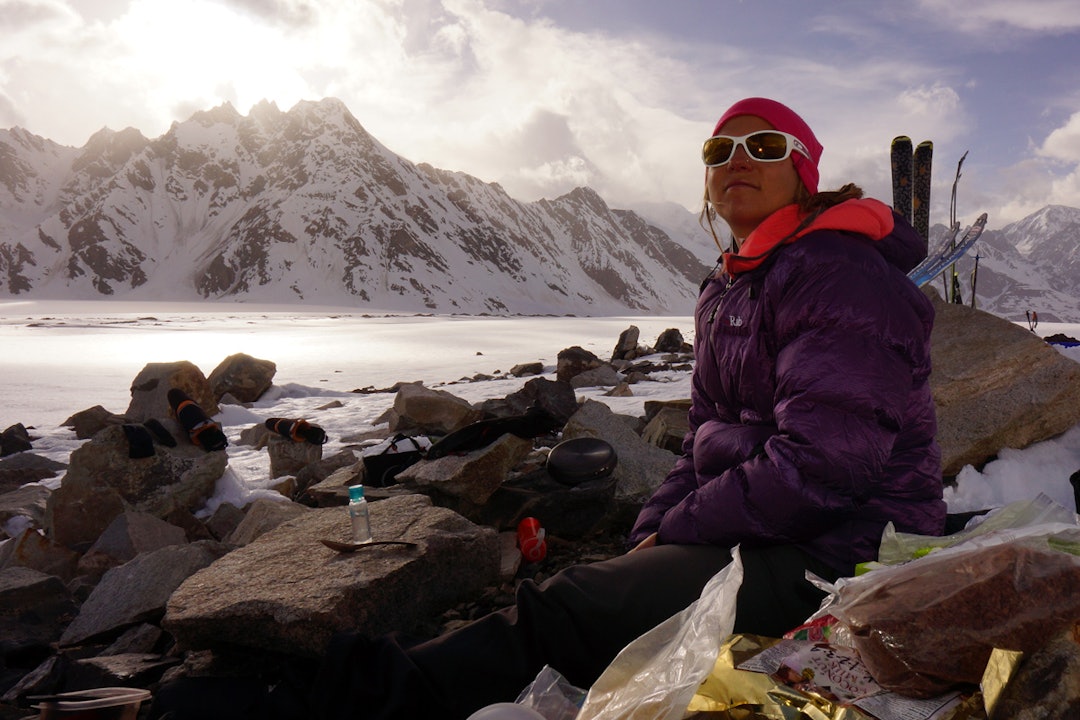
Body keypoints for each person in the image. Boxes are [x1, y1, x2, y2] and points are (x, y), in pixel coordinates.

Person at [149, 98, 945, 720]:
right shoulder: (733, 285)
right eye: (720, 150)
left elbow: (825, 464)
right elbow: (705, 437)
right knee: (610, 588)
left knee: (572, 607)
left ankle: (336, 701)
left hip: (849, 553)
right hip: (780, 529)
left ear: (805, 171)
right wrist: (656, 525)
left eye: (765, 147)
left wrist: (686, 527)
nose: (739, 160)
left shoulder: (835, 271)